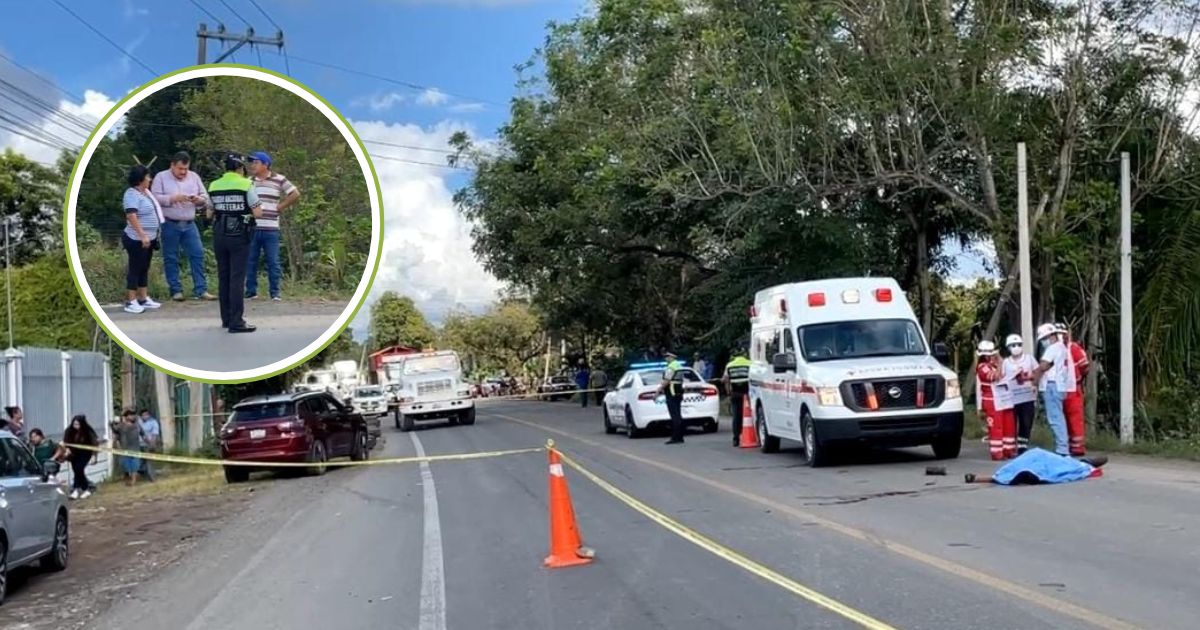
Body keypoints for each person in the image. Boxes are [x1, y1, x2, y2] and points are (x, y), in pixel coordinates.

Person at [206, 155, 263, 333]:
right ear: (240, 168)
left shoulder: (213, 185)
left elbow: (208, 213)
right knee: (237, 277)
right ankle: (237, 322)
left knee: (224, 276)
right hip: (239, 234)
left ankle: (226, 318)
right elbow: (258, 212)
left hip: (219, 234)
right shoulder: (246, 184)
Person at [151, 151, 215, 302]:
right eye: (180, 169)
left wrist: (197, 199)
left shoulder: (194, 177)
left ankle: (201, 289)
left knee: (197, 254)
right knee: (171, 257)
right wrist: (173, 199)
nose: (183, 172)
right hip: (169, 222)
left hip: (189, 223)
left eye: (186, 169)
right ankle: (176, 290)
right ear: (172, 165)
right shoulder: (161, 177)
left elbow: (205, 198)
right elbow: (154, 198)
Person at [246, 151, 300, 301]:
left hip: (271, 227)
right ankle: (251, 291)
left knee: (273, 261)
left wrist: (281, 206)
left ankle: (275, 293)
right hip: (253, 226)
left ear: (266, 164)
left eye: (256, 162)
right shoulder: (249, 181)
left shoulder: (279, 179)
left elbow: (294, 193)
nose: (252, 165)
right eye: (252, 162)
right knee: (251, 260)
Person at [122, 164, 165, 314]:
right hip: (136, 238)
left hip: (150, 238)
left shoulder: (146, 193)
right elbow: (132, 215)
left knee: (144, 268)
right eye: (147, 176)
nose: (150, 179)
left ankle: (143, 297)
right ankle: (131, 300)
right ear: (140, 179)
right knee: (135, 268)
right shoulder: (131, 194)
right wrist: (142, 235)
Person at [1029, 323, 1072, 457]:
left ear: (1050, 336)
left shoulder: (1052, 348)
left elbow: (1043, 366)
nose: (1043, 342)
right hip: (1058, 386)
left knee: (1055, 418)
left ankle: (1062, 449)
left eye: (1043, 339)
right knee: (1058, 417)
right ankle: (1062, 447)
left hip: (1052, 385)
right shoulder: (1062, 348)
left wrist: (1034, 378)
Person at [975, 340, 1015, 460]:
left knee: (1009, 425)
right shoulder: (982, 367)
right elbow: (995, 377)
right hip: (992, 401)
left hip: (1004, 399)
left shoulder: (994, 365)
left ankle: (1009, 450)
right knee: (996, 427)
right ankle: (997, 453)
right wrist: (1001, 362)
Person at [1003, 333, 1038, 455]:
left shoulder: (1029, 359)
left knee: (1026, 423)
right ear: (1008, 347)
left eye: (1018, 344)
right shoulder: (1006, 362)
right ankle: (1010, 447)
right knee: (1011, 424)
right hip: (1012, 398)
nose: (1016, 347)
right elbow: (1002, 378)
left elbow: (1037, 372)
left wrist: (1029, 377)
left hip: (1027, 397)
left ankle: (1023, 447)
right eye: (1013, 345)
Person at [1058, 323, 1089, 456]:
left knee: (1075, 418)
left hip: (1073, 389)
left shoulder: (1074, 348)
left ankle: (1077, 447)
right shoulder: (1053, 350)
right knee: (1061, 418)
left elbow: (1084, 366)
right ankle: (1065, 445)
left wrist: (1079, 378)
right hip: (1059, 389)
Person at [63, 414, 99, 499]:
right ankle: (86, 488)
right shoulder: (69, 430)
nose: (76, 426)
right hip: (73, 454)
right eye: (74, 424)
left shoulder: (88, 431)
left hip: (85, 453)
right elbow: (66, 442)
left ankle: (76, 489)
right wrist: (67, 449)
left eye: (78, 424)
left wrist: (94, 456)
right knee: (76, 470)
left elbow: (95, 443)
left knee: (79, 468)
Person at [722, 345, 752, 447]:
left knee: (736, 416)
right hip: (747, 394)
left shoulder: (729, 365)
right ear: (744, 355)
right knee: (749, 416)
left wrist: (728, 392)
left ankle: (736, 438)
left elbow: (725, 380)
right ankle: (750, 435)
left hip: (735, 393)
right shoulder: (749, 364)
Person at [658, 351, 686, 445]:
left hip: (671, 392)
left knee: (675, 416)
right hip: (678, 392)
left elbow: (667, 381)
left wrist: (658, 391)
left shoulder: (671, 367)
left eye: (667, 356)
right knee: (678, 415)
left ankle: (675, 437)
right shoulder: (679, 365)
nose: (665, 358)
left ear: (672, 357)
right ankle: (680, 436)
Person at [115, 409, 142, 485]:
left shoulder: (137, 425)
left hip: (135, 448)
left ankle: (133, 480)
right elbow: (116, 434)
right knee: (126, 465)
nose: (133, 417)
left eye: (133, 415)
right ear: (126, 417)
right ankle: (132, 476)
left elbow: (142, 433)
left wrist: (149, 442)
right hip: (125, 448)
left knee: (135, 465)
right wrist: (118, 445)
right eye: (130, 415)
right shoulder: (121, 426)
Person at [138, 409, 161, 482]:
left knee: (149, 461)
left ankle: (152, 477)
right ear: (141, 416)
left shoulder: (153, 422)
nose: (145, 416)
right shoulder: (139, 423)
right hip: (138, 444)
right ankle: (143, 475)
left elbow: (155, 434)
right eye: (143, 415)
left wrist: (152, 444)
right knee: (141, 462)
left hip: (148, 444)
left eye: (146, 415)